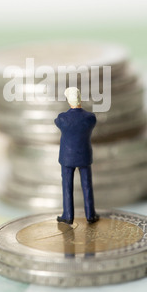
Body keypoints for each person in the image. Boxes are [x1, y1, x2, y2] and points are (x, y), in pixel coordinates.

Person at [54, 87, 100, 225]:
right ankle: (90, 214)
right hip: (84, 156)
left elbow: (56, 122)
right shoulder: (90, 118)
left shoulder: (62, 118)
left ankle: (68, 215)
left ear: (69, 100)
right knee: (87, 186)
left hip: (67, 158)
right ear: (80, 99)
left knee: (67, 187)